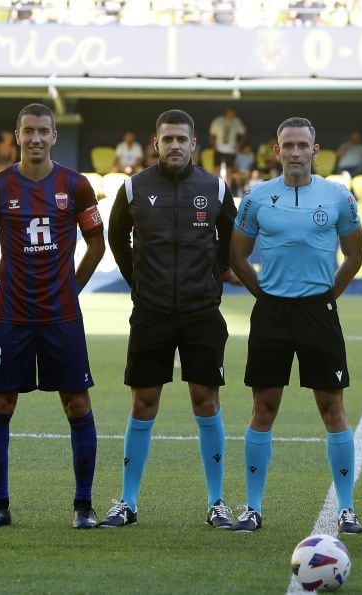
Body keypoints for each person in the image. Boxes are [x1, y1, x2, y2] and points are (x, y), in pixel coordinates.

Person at [102, 108, 238, 529]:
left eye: (182, 139)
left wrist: (209, 279)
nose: (175, 145)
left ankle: (216, 502)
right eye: (168, 139)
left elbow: (229, 241)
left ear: (194, 143)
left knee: (206, 401)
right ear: (155, 143)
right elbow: (117, 240)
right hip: (151, 313)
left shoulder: (214, 188)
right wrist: (137, 281)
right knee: (143, 404)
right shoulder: (133, 188)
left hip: (201, 313)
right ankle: (126, 501)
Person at [0, 103, 105, 529]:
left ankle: (83, 507)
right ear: (16, 135)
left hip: (61, 316)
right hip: (11, 315)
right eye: (27, 131)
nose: (34, 138)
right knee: (0, 402)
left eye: (42, 131)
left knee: (77, 403)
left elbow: (97, 245)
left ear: (53, 136)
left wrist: (72, 287)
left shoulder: (76, 185)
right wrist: (5, 278)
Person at [229, 117, 362, 535]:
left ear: (314, 150)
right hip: (271, 314)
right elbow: (237, 256)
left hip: (317, 313)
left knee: (333, 409)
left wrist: (327, 298)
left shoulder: (339, 196)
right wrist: (262, 295)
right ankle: (252, 507)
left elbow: (355, 256)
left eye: (301, 145)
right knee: (264, 408)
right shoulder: (256, 198)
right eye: (287, 145)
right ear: (276, 151)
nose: (294, 152)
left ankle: (347, 508)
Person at [209, 107, 247, 186]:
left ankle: (228, 190)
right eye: (230, 113)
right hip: (219, 149)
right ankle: (215, 188)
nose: (232, 115)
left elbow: (244, 134)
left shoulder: (237, 122)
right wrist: (214, 147)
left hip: (231, 150)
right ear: (226, 113)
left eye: (233, 114)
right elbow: (211, 135)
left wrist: (239, 146)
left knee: (229, 170)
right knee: (216, 169)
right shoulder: (217, 121)